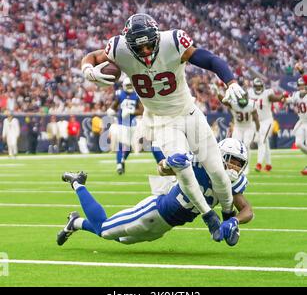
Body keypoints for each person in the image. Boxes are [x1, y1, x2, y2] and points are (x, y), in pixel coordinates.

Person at [81, 13, 246, 237]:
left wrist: (231, 81)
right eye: (140, 48)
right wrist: (88, 70)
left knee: (218, 172)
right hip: (162, 121)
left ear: (156, 38)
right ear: (129, 45)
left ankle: (228, 216)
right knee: (182, 168)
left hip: (189, 113)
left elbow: (207, 58)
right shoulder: (118, 48)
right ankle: (210, 217)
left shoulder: (173, 41)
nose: (146, 51)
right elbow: (92, 56)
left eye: (149, 45)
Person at [57, 138, 253, 247]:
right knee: (104, 229)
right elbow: (164, 169)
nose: (234, 167)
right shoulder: (198, 162)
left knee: (122, 238)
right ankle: (78, 183)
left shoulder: (233, 183)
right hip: (154, 211)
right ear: (219, 155)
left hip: (166, 225)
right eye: (231, 160)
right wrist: (168, 164)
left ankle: (75, 222)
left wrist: (234, 221)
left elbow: (246, 210)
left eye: (239, 163)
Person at [248, 78, 287, 172]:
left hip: (267, 120)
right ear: (253, 87)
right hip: (256, 121)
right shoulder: (249, 93)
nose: (258, 88)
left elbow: (275, 98)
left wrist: (282, 96)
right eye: (256, 87)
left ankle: (259, 164)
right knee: (265, 142)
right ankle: (268, 164)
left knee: (261, 140)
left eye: (259, 86)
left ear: (263, 86)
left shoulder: (267, 93)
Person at [107, 77, 144, 174]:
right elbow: (113, 107)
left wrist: (131, 111)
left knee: (129, 146)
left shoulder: (136, 95)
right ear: (123, 86)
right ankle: (119, 164)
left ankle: (122, 159)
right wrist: (112, 111)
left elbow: (141, 111)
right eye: (127, 85)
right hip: (121, 124)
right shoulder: (119, 94)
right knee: (120, 144)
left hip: (132, 125)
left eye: (130, 85)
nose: (129, 87)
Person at [218, 91, 260, 173]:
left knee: (246, 145)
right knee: (235, 146)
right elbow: (222, 100)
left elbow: (256, 119)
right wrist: (218, 91)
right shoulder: (234, 103)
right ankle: (232, 166)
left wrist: (257, 132)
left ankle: (246, 166)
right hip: (238, 127)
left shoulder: (251, 104)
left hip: (249, 127)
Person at [285, 78, 307, 175]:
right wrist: (283, 97)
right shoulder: (296, 95)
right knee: (298, 143)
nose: (301, 87)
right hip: (302, 122)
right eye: (300, 85)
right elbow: (288, 100)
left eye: (303, 85)